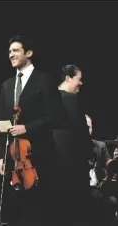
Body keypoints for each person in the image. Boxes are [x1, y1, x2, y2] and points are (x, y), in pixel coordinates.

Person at [0, 35, 63, 226]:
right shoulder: (6, 85)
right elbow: (3, 122)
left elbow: (56, 116)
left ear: (29, 53)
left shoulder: (44, 80)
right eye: (9, 51)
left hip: (38, 153)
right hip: (12, 155)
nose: (11, 55)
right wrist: (2, 155)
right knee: (15, 208)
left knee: (38, 208)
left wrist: (28, 127)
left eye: (15, 50)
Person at [51, 64, 93, 226]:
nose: (81, 83)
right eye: (79, 79)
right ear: (68, 78)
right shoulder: (70, 99)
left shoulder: (48, 97)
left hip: (50, 159)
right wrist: (90, 154)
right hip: (70, 159)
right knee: (74, 209)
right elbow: (81, 130)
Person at [86, 115, 117, 226]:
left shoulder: (100, 146)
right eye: (83, 126)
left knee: (112, 202)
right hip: (82, 188)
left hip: (99, 187)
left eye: (88, 126)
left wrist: (115, 161)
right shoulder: (72, 145)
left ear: (92, 128)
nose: (86, 129)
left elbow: (109, 164)